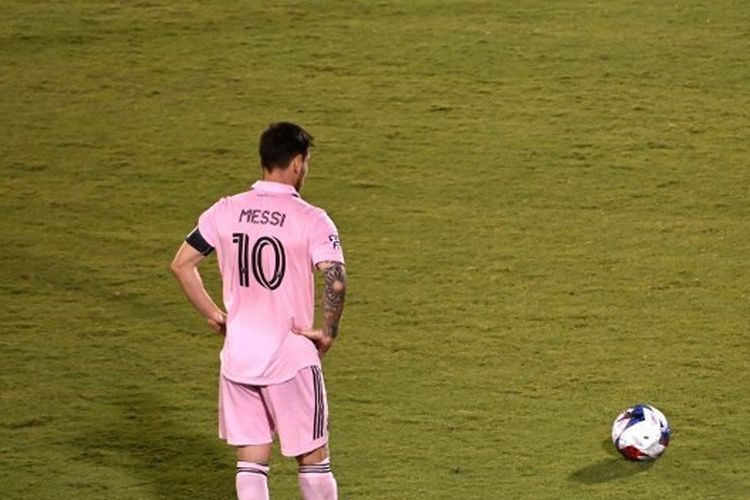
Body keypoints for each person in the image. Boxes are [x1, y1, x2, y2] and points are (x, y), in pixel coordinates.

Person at [170, 122, 347, 500]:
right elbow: (334, 278)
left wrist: (215, 314)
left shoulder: (226, 210)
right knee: (313, 458)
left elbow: (182, 264)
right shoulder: (312, 218)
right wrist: (328, 331)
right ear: (298, 163)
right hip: (290, 357)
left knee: (251, 461)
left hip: (240, 356)